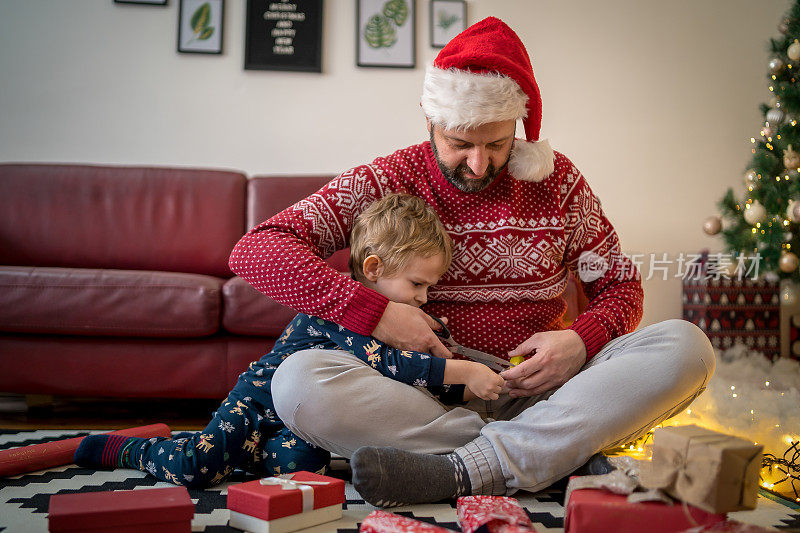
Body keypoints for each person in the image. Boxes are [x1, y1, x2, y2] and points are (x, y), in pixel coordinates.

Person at [230, 16, 716, 507]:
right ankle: (546, 457)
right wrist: (379, 314)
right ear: (430, 122)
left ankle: (463, 468)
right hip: (427, 401)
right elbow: (257, 249)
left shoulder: (559, 182)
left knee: (687, 347)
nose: (479, 164)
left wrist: (579, 340)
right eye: (460, 144)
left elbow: (620, 285)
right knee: (297, 382)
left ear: (518, 130)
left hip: (549, 392)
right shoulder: (388, 178)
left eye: (497, 144)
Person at [73, 194, 504, 487]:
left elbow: (409, 379)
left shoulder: (406, 319)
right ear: (373, 268)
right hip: (258, 401)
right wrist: (464, 373)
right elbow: (396, 367)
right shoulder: (340, 309)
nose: (424, 298)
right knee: (197, 469)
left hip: (303, 420)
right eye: (417, 284)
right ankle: (129, 448)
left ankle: (243, 456)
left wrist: (468, 378)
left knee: (301, 470)